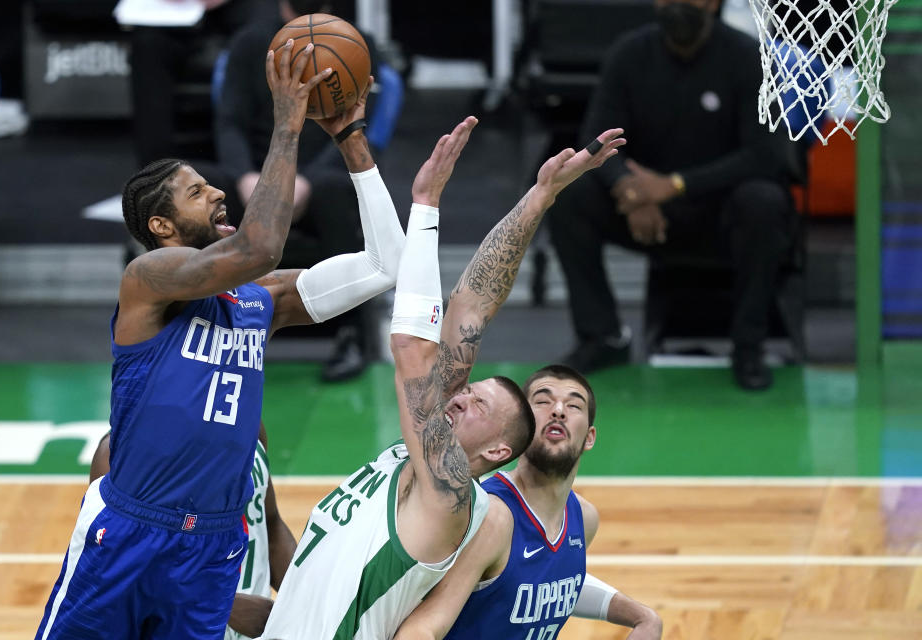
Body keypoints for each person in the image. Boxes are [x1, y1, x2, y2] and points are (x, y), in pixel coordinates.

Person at [36, 42, 405, 640]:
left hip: (210, 547)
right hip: (131, 530)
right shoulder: (148, 281)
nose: (218, 194)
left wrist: (351, 141)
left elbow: (387, 265)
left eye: (211, 186)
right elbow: (257, 248)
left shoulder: (260, 301)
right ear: (161, 227)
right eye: (197, 192)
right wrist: (288, 124)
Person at [223, 123, 626, 640]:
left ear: (500, 451)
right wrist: (540, 197)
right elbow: (471, 307)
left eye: (477, 404)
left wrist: (426, 203)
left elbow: (413, 347)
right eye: (465, 392)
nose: (459, 398)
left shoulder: (448, 494)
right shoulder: (410, 463)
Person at [547, 0, 796, 391]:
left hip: (722, 212)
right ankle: (602, 337)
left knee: (764, 202)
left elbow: (766, 155)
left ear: (714, 3)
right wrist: (629, 189)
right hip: (645, 212)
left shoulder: (747, 56)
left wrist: (675, 185)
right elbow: (595, 140)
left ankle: (748, 346)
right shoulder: (628, 53)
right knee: (568, 195)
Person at [394, 364, 663, 640]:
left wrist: (642, 617)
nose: (558, 410)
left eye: (574, 406)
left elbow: (547, 582)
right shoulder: (489, 517)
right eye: (543, 401)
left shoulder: (583, 518)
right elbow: (419, 629)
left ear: (590, 438)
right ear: (521, 427)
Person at [211, 0, 386, 381]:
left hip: (322, 172)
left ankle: (349, 333)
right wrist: (245, 176)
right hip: (257, 174)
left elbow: (364, 124)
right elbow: (229, 123)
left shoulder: (356, 42)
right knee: (196, 188)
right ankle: (208, 329)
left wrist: (302, 181)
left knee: (334, 190)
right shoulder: (250, 43)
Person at [88, 422, 295, 640]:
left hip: (259, 631)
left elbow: (271, 527)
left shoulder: (249, 423)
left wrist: (305, 597)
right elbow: (115, 571)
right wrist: (223, 605)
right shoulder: (118, 454)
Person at [129, 0, 276, 167]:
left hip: (244, 11)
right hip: (174, 15)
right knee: (147, 42)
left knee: (266, 29)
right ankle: (156, 175)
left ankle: (263, 166)